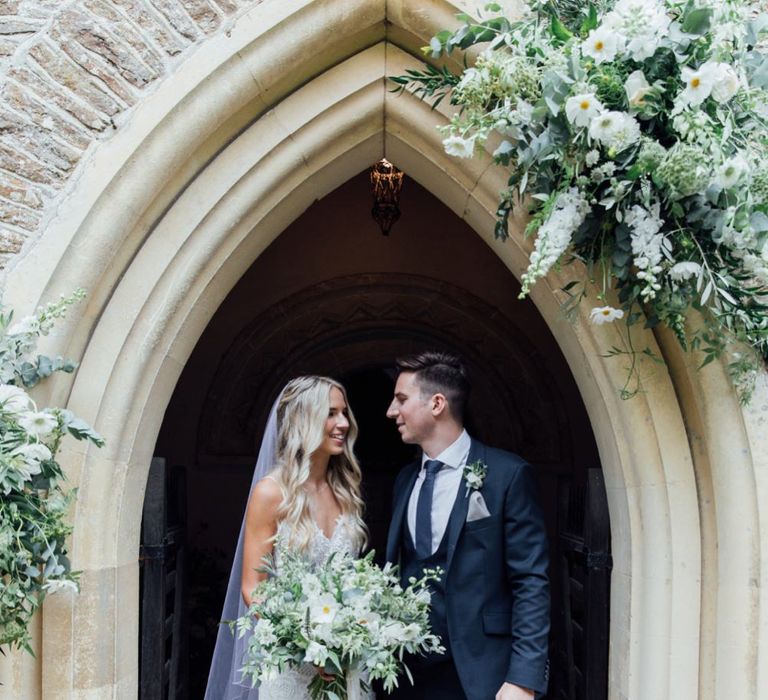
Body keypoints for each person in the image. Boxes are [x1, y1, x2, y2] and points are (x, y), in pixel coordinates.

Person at [385, 351, 550, 700]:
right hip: (407, 675)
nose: (391, 411)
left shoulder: (508, 475)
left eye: (401, 399)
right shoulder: (403, 480)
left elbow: (530, 581)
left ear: (437, 403)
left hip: (479, 672)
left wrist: (524, 678)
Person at [205, 376, 370, 700]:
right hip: (292, 668)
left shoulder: (346, 490)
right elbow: (253, 587)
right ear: (303, 419)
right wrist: (307, 645)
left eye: (344, 413)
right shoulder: (271, 492)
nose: (343, 423)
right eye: (331, 413)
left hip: (348, 665)